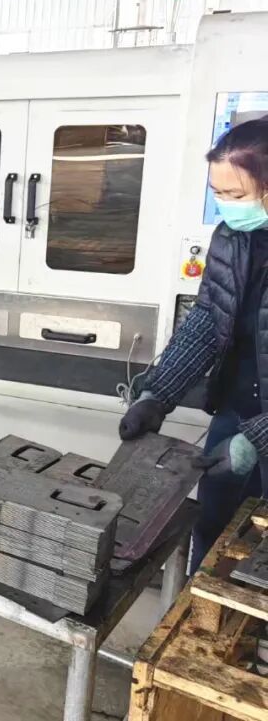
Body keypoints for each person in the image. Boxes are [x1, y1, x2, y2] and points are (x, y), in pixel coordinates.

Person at [120, 118, 268, 571]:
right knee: (213, 533)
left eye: (236, 195)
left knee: (258, 564)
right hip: (237, 411)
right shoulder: (232, 239)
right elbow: (208, 319)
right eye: (218, 193)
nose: (227, 207)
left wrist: (256, 441)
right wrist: (157, 393)